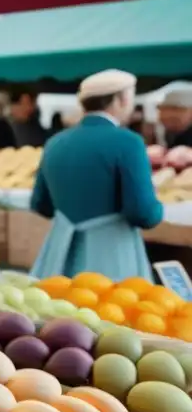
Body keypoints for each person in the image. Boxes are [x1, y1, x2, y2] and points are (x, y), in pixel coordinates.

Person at [29, 69, 162, 280]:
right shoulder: (128, 142)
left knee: (58, 309)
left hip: (60, 251)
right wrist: (159, 208)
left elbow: (40, 204)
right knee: (110, 310)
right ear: (122, 99)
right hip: (111, 254)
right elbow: (142, 213)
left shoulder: (55, 143)